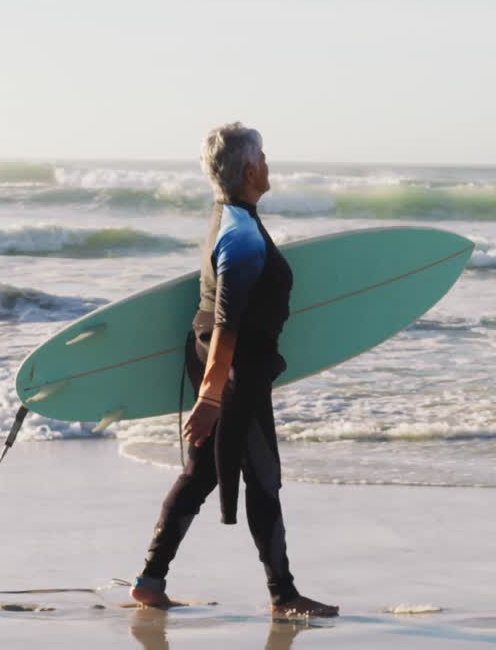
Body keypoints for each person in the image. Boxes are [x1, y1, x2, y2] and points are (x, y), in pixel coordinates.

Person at [130, 122, 339, 618]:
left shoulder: (228, 218)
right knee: (263, 476)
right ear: (248, 170)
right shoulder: (241, 234)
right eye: (262, 158)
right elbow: (228, 322)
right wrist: (210, 397)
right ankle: (283, 595)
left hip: (221, 359)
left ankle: (150, 580)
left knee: (201, 473)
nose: (268, 165)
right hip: (233, 369)